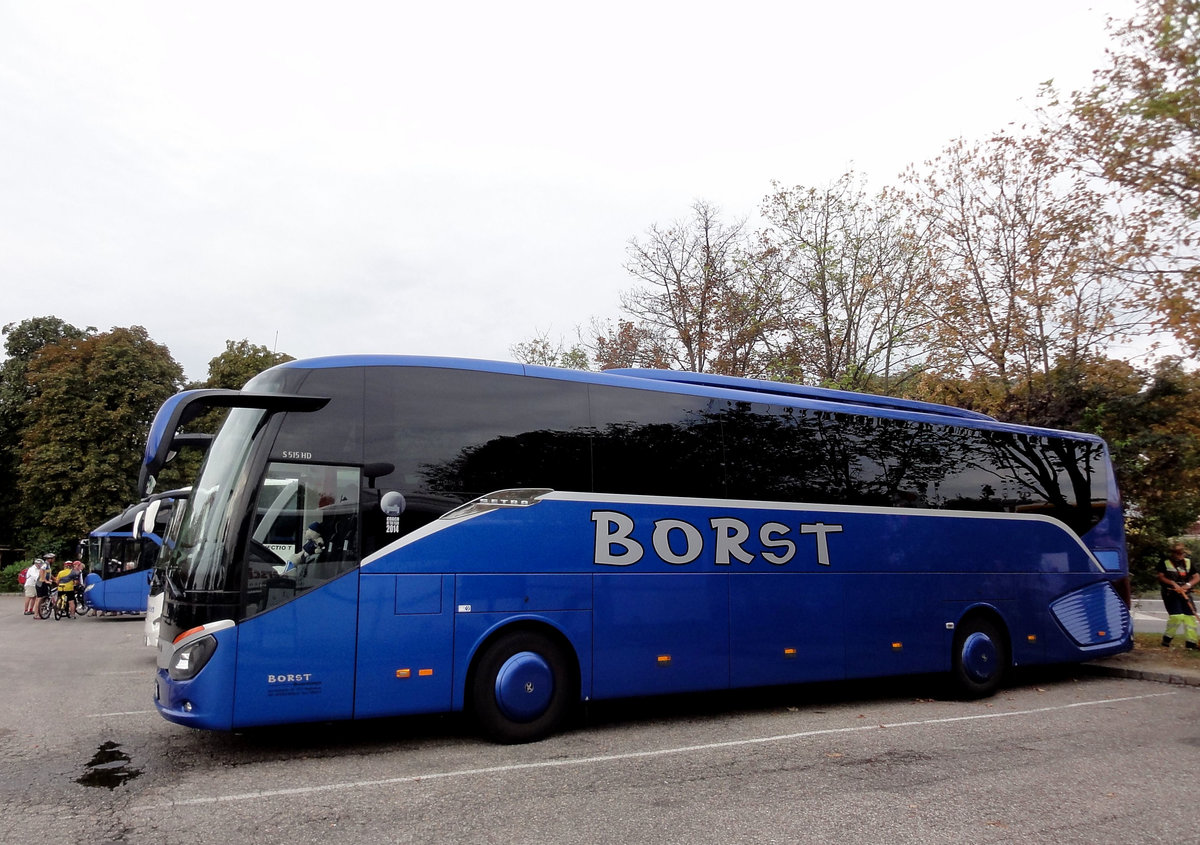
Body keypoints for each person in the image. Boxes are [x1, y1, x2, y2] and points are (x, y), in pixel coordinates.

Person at [1158, 543, 1199, 649]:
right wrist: (1172, 583)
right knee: (1177, 616)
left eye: (1181, 553)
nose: (1179, 555)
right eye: (1177, 553)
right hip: (1170, 593)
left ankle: (1191, 643)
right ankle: (1167, 639)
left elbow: (1196, 577)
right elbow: (1161, 577)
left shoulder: (1188, 562)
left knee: (1190, 617)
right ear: (1172, 553)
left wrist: (1188, 585)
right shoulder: (1165, 562)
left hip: (1185, 592)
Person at [33, 553, 55, 619]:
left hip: (44, 583)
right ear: (50, 559)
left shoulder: (48, 565)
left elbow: (48, 573)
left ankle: (41, 613)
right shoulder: (45, 564)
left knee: (44, 598)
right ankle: (36, 614)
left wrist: (54, 579)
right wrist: (44, 580)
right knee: (39, 599)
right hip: (41, 583)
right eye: (53, 558)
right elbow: (41, 571)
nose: (54, 560)